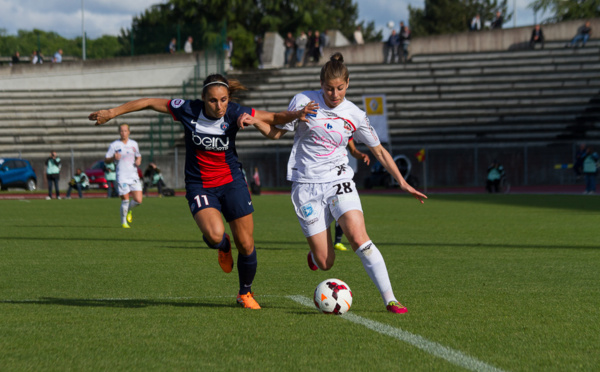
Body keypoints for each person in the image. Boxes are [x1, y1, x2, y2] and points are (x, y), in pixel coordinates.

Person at [88, 73, 315, 309]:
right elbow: (148, 102)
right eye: (213, 101)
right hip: (200, 185)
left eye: (224, 100)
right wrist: (112, 113)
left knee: (246, 244)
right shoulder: (187, 109)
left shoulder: (235, 112)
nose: (220, 106)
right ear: (203, 99)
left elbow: (275, 117)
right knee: (215, 235)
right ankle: (223, 246)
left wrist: (298, 115)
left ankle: (245, 293)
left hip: (232, 182)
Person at [239, 53, 427, 314]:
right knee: (326, 262)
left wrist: (402, 182)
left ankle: (390, 298)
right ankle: (316, 255)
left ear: (347, 84)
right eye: (329, 88)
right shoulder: (304, 100)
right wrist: (256, 120)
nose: (334, 94)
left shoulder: (355, 115)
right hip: (305, 185)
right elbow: (277, 132)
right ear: (321, 84)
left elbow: (380, 151)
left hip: (339, 179)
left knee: (358, 237)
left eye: (340, 88)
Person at [334, 138, 370, 252]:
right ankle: (320, 248)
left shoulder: (346, 128)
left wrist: (361, 155)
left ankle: (337, 241)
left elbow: (353, 150)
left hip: (339, 177)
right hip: (319, 178)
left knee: (342, 210)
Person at [104, 124, 143, 229]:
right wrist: (113, 157)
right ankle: (123, 222)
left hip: (133, 175)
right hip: (121, 176)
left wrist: (139, 160)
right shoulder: (114, 145)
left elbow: (138, 155)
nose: (123, 133)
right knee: (125, 200)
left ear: (129, 132)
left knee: (138, 200)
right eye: (121, 131)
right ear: (119, 132)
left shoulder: (134, 144)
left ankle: (129, 210)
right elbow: (106, 159)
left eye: (125, 131)